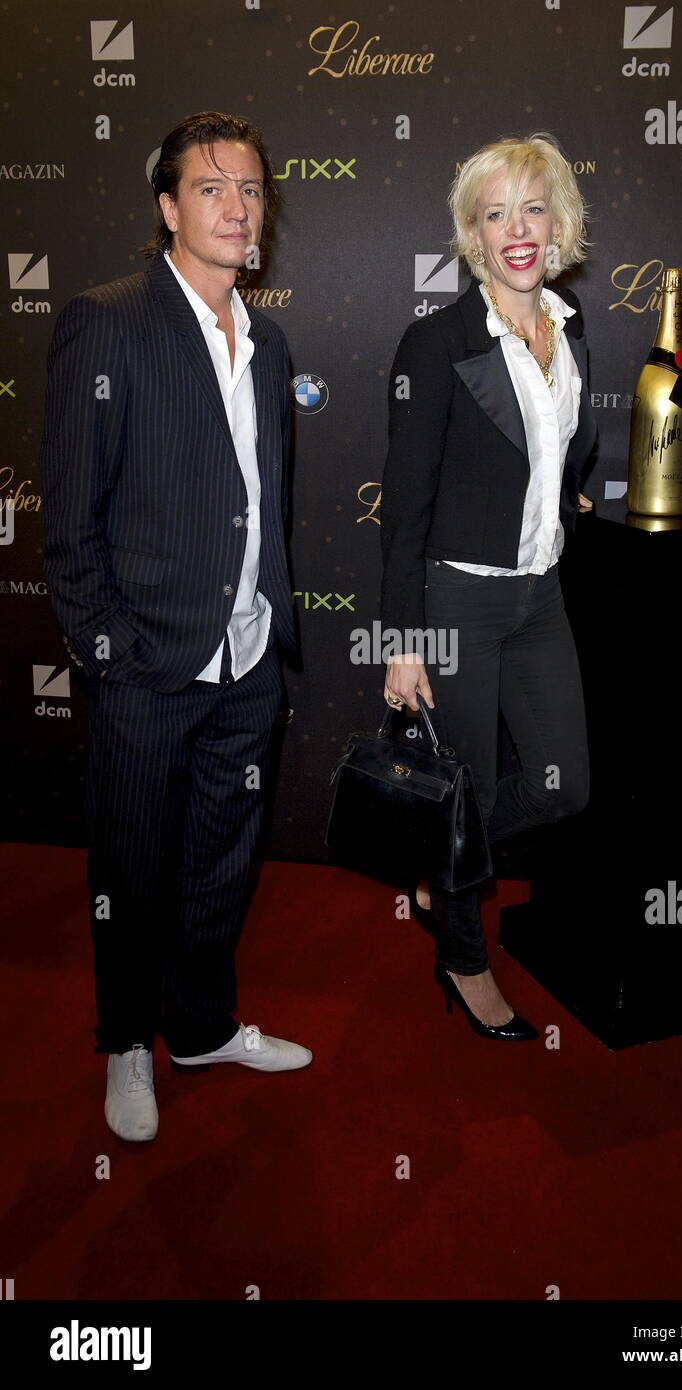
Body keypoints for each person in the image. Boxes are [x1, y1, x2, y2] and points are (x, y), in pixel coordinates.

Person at [40, 111, 312, 1143]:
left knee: (222, 860)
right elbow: (69, 521)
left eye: (250, 189)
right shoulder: (106, 321)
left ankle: (200, 1026)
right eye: (211, 188)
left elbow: (257, 501)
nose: (238, 207)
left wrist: (268, 638)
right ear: (167, 208)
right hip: (149, 667)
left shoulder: (271, 339)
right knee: (133, 869)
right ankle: (125, 1041)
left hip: (248, 662)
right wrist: (109, 654)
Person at [380, 133, 597, 1040]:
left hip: (539, 598)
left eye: (532, 208)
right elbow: (404, 503)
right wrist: (401, 641)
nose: (516, 228)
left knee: (562, 786)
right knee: (461, 792)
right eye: (495, 212)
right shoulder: (435, 342)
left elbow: (563, 449)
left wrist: (564, 499)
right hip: (458, 604)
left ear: (557, 224)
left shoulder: (572, 327)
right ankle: (462, 961)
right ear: (472, 233)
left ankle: (440, 866)